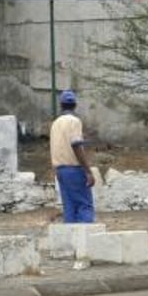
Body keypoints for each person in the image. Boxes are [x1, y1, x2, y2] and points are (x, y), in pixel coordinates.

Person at [50, 89, 96, 223]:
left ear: (61, 105)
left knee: (69, 207)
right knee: (84, 205)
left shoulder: (55, 123)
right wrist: (88, 171)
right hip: (74, 169)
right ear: (75, 105)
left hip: (60, 170)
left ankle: (71, 242)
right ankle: (85, 240)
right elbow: (76, 145)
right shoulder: (74, 121)